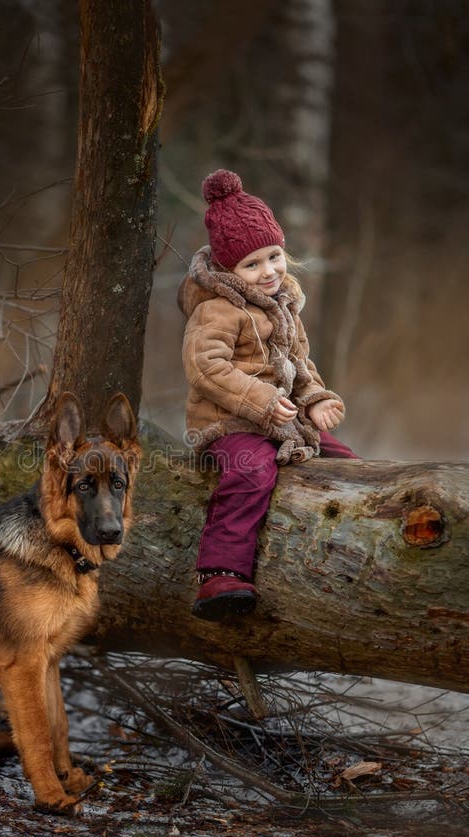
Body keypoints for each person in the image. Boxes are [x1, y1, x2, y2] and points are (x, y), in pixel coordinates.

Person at [178, 169, 358, 622]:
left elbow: (298, 365)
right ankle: (219, 575)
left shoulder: (284, 305)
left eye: (274, 256)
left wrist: (315, 398)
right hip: (230, 422)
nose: (268, 272)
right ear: (227, 270)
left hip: (282, 420)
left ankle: (359, 551)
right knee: (252, 473)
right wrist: (259, 399)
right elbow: (205, 368)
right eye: (251, 265)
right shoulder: (216, 309)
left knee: (346, 463)